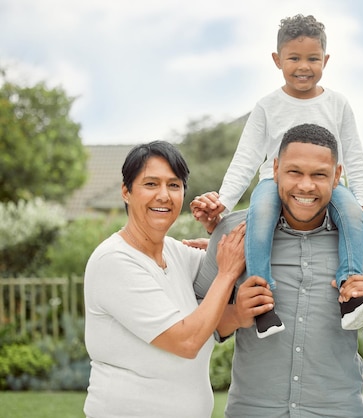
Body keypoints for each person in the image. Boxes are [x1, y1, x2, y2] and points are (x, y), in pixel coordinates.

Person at [191, 14, 363, 338]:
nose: (303, 66)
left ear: (327, 59)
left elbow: (353, 156)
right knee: (260, 213)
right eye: (294, 58)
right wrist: (223, 203)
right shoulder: (268, 106)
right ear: (277, 60)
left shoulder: (337, 104)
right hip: (274, 183)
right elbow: (246, 159)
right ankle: (262, 296)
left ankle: (351, 290)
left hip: (328, 185)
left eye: (313, 58)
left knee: (352, 214)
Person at [194, 123, 363, 417]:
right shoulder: (233, 233)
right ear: (275, 169)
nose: (306, 186)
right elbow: (198, 320)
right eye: (295, 172)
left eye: (319, 174)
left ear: (337, 175)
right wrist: (236, 315)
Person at [83, 141, 247, 418]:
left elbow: (233, 280)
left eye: (174, 185)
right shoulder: (114, 261)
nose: (164, 195)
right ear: (126, 192)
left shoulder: (177, 253)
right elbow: (186, 341)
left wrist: (219, 231)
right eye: (150, 184)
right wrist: (226, 272)